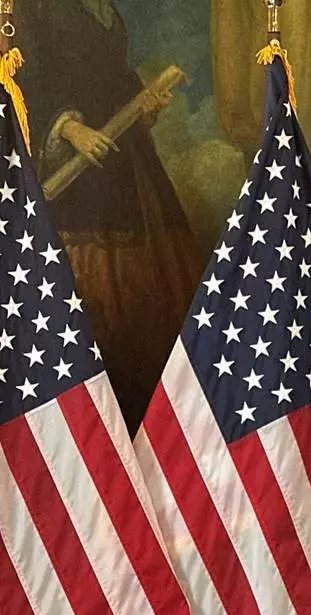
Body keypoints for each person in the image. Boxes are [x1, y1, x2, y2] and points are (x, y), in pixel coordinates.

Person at [20, 0, 206, 431]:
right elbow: (27, 83)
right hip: (79, 173)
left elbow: (113, 80)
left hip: (124, 161)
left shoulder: (106, 9)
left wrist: (145, 104)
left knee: (156, 299)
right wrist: (70, 129)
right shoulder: (37, 9)